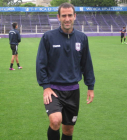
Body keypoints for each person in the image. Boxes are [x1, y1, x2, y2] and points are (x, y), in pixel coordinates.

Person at [36, 3, 95, 140]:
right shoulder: (48, 37)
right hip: (53, 90)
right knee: (55, 121)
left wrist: (90, 86)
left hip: (73, 90)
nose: (67, 19)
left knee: (68, 130)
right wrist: (45, 87)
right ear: (58, 17)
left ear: (75, 16)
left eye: (69, 15)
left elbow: (87, 64)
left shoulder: (82, 38)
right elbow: (41, 64)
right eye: (64, 16)